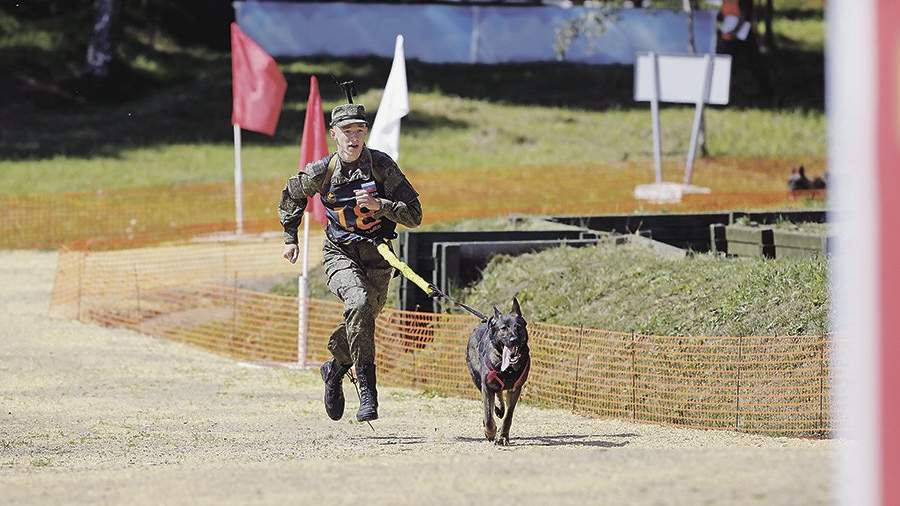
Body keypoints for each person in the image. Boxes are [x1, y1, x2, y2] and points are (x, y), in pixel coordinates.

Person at [278, 101, 423, 423]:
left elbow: (414, 216)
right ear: (334, 135)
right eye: (346, 131)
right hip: (339, 253)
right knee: (358, 303)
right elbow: (292, 194)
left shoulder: (383, 166)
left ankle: (336, 368)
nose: (353, 137)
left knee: (365, 316)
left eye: (359, 130)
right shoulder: (322, 171)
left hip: (378, 258)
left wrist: (381, 205)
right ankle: (368, 393)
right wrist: (290, 238)